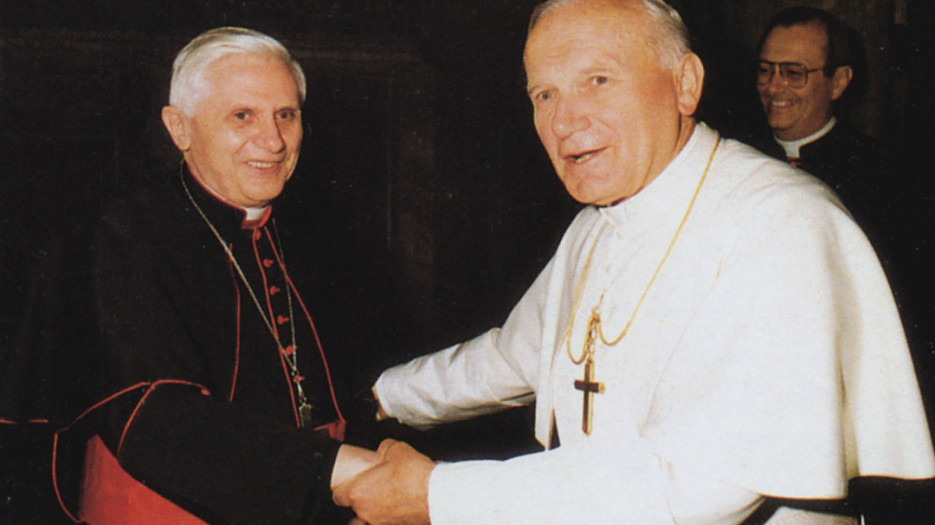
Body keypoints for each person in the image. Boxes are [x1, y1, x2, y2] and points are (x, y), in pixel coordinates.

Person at [333, 1, 935, 524]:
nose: (566, 121)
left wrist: (439, 496)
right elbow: (513, 354)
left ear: (685, 84)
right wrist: (379, 398)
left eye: (598, 80)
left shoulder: (785, 224)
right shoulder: (602, 218)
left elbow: (699, 485)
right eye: (545, 94)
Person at [0, 27, 378, 523]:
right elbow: (157, 423)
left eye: (285, 115)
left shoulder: (310, 237)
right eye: (242, 115)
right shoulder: (120, 237)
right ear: (179, 129)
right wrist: (344, 473)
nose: (273, 140)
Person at [750, 6, 895, 243]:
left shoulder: (879, 175)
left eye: (794, 73)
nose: (773, 87)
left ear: (838, 82)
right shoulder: (740, 155)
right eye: (765, 71)